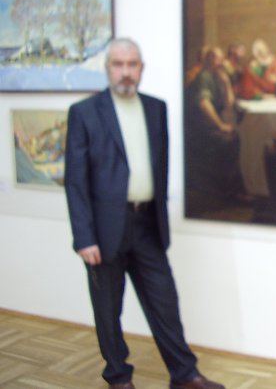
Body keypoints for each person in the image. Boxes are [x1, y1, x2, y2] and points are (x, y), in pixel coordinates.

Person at [64, 38, 226, 389]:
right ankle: (119, 377)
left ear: (141, 68)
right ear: (108, 68)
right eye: (118, 64)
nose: (125, 72)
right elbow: (75, 182)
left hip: (147, 224)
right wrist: (84, 237)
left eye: (132, 64)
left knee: (164, 301)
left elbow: (160, 166)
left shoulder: (156, 108)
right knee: (109, 309)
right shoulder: (84, 113)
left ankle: (184, 375)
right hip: (104, 231)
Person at [185, 46, 249, 202]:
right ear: (210, 60)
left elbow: (229, 104)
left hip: (209, 124)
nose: (222, 62)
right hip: (198, 126)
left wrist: (226, 83)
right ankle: (230, 191)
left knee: (233, 137)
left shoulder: (217, 77)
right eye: (219, 59)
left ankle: (232, 189)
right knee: (229, 140)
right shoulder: (204, 76)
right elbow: (204, 104)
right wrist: (220, 125)